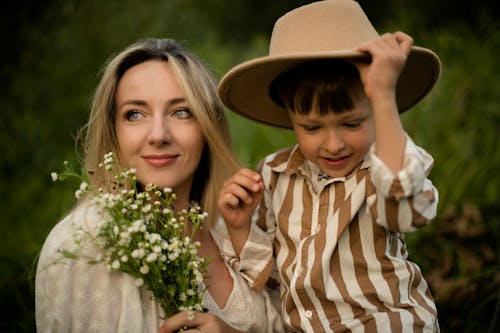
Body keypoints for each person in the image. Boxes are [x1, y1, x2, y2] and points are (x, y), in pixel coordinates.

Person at [217, 0, 441, 332]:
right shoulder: (274, 176)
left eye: (352, 124)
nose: (334, 144)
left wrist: (382, 94)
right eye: (311, 128)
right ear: (290, 119)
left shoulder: (383, 168)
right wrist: (239, 228)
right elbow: (273, 278)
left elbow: (406, 211)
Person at [36, 38, 283, 333]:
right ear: (113, 131)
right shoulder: (83, 243)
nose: (158, 135)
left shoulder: (241, 226)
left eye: (181, 112)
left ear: (207, 126)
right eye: (135, 114)